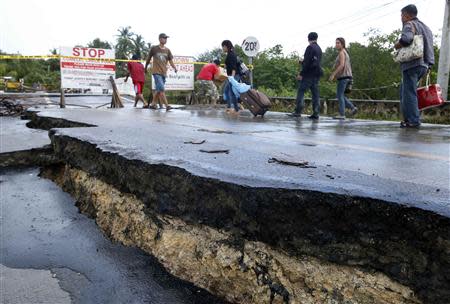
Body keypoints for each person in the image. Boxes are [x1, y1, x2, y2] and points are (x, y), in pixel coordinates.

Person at [394, 4, 434, 128]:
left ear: (407, 15)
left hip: (412, 64)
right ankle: (408, 118)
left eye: (402, 15)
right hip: (424, 64)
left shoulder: (409, 24)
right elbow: (429, 47)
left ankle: (413, 120)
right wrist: (430, 64)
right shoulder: (426, 28)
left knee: (409, 92)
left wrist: (397, 45)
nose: (401, 17)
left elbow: (407, 39)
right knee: (404, 90)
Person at [289, 32, 323, 120]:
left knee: (301, 91)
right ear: (316, 38)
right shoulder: (319, 48)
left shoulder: (309, 47)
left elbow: (307, 63)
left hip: (308, 75)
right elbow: (314, 62)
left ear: (308, 39)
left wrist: (301, 74)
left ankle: (298, 111)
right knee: (315, 94)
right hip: (317, 74)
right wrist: (303, 62)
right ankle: (316, 113)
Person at [145, 33, 178, 111]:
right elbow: (148, 58)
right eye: (164, 38)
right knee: (162, 88)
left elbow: (170, 60)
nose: (165, 40)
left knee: (158, 89)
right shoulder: (154, 48)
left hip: (164, 72)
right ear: (160, 39)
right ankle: (167, 105)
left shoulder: (167, 50)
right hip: (156, 72)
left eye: (166, 38)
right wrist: (145, 67)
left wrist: (174, 68)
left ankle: (153, 104)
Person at [329, 37, 357, 120]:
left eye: (338, 43)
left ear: (342, 44)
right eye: (336, 43)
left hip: (344, 76)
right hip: (347, 76)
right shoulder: (345, 52)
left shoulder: (341, 53)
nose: (336, 45)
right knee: (340, 95)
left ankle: (342, 114)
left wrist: (333, 74)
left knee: (339, 95)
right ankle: (352, 108)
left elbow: (342, 65)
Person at [221, 40, 240, 114]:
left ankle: (236, 110)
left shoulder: (231, 55)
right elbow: (227, 65)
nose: (222, 48)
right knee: (226, 91)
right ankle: (229, 107)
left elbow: (234, 68)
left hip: (234, 76)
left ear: (226, 46)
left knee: (231, 92)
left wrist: (232, 78)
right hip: (231, 76)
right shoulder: (229, 54)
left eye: (223, 47)